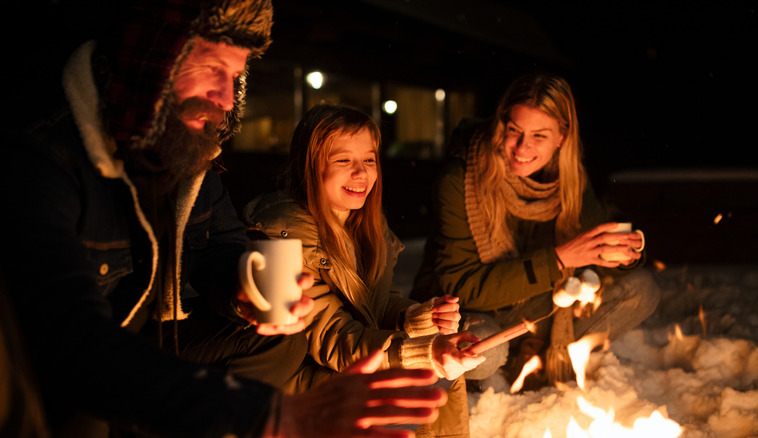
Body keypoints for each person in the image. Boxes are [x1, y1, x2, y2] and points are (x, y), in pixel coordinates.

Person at [0, 1, 448, 437]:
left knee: (279, 336)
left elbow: (222, 245)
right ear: (158, 61)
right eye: (213, 69)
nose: (227, 97)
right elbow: (71, 341)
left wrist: (246, 285)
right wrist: (265, 416)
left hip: (149, 335)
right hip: (49, 367)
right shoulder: (46, 161)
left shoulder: (184, 155)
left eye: (235, 77)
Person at [242, 104, 485, 438]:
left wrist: (416, 317)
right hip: (296, 385)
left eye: (369, 160)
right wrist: (421, 352)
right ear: (309, 167)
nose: (361, 173)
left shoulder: (365, 225)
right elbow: (333, 337)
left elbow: (377, 301)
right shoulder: (282, 238)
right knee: (418, 376)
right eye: (343, 161)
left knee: (438, 367)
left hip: (341, 363)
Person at [410, 73, 660, 386]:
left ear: (562, 137)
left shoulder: (570, 181)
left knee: (641, 289)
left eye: (539, 136)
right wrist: (558, 260)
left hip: (531, 306)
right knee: (481, 350)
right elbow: (461, 285)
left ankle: (533, 357)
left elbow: (594, 250)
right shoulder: (460, 178)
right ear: (502, 124)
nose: (521, 147)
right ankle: (510, 364)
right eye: (514, 130)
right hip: (469, 312)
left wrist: (623, 254)